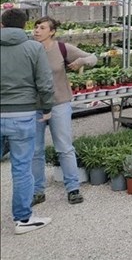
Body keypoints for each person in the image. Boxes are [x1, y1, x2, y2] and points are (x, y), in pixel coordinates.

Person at [30, 17, 97, 206]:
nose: (37, 30)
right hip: (34, 106)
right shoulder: (29, 49)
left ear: (51, 32)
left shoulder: (62, 48)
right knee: (35, 150)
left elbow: (93, 58)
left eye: (42, 28)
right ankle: (37, 191)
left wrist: (81, 61)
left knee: (64, 147)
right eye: (36, 27)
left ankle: (73, 189)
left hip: (59, 104)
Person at [0, 9, 54, 234]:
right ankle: (23, 219)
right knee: (22, 168)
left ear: (2, 24)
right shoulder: (34, 48)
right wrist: (46, 107)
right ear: (25, 25)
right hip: (22, 114)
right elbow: (45, 82)